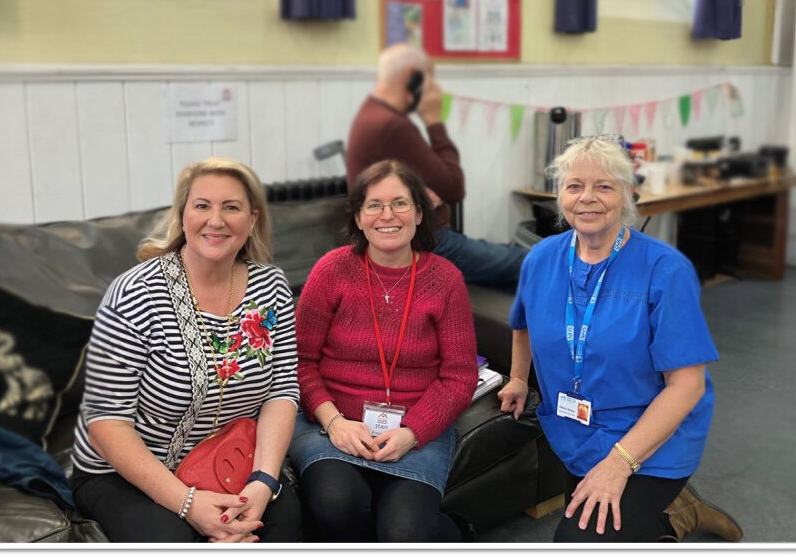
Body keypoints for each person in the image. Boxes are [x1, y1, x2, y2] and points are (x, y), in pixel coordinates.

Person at [498, 137, 743, 543]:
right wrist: (519, 379)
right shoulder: (541, 259)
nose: (587, 198)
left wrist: (619, 463)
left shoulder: (665, 270)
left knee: (576, 544)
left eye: (605, 186)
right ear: (559, 195)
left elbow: (687, 386)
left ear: (630, 193)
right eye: (574, 186)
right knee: (598, 527)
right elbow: (522, 323)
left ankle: (668, 509)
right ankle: (675, 515)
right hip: (576, 430)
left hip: (651, 439)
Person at [71, 157, 301, 543]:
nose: (216, 220)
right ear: (182, 216)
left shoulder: (272, 288)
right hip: (128, 472)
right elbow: (106, 421)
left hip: (231, 459)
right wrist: (188, 503)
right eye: (202, 205)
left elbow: (282, 390)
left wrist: (263, 482)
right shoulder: (134, 294)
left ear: (253, 219)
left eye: (231, 207)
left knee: (284, 525)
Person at [288, 160, 478, 542]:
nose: (387, 215)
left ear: (419, 213)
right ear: (358, 217)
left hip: (415, 427)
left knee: (404, 533)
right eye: (374, 205)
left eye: (400, 203)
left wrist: (413, 432)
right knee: (334, 504)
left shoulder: (445, 279)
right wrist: (334, 423)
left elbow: (459, 376)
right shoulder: (331, 271)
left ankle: (453, 532)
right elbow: (299, 362)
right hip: (331, 425)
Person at [346, 43, 527, 288]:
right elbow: (453, 187)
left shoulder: (371, 114)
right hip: (429, 242)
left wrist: (417, 192)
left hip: (409, 239)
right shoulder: (391, 126)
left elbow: (431, 184)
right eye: (429, 80)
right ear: (413, 78)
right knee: (531, 260)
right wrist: (434, 120)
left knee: (513, 264)